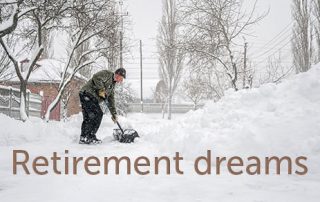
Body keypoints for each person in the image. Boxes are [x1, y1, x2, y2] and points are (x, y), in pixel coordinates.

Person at [78, 68, 126, 144]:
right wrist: (101, 89)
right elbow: (96, 77)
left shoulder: (112, 86)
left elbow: (111, 100)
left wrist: (114, 114)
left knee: (88, 117)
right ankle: (90, 136)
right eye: (122, 78)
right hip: (87, 94)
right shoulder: (107, 74)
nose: (121, 81)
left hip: (89, 97)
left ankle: (84, 137)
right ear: (118, 74)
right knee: (97, 114)